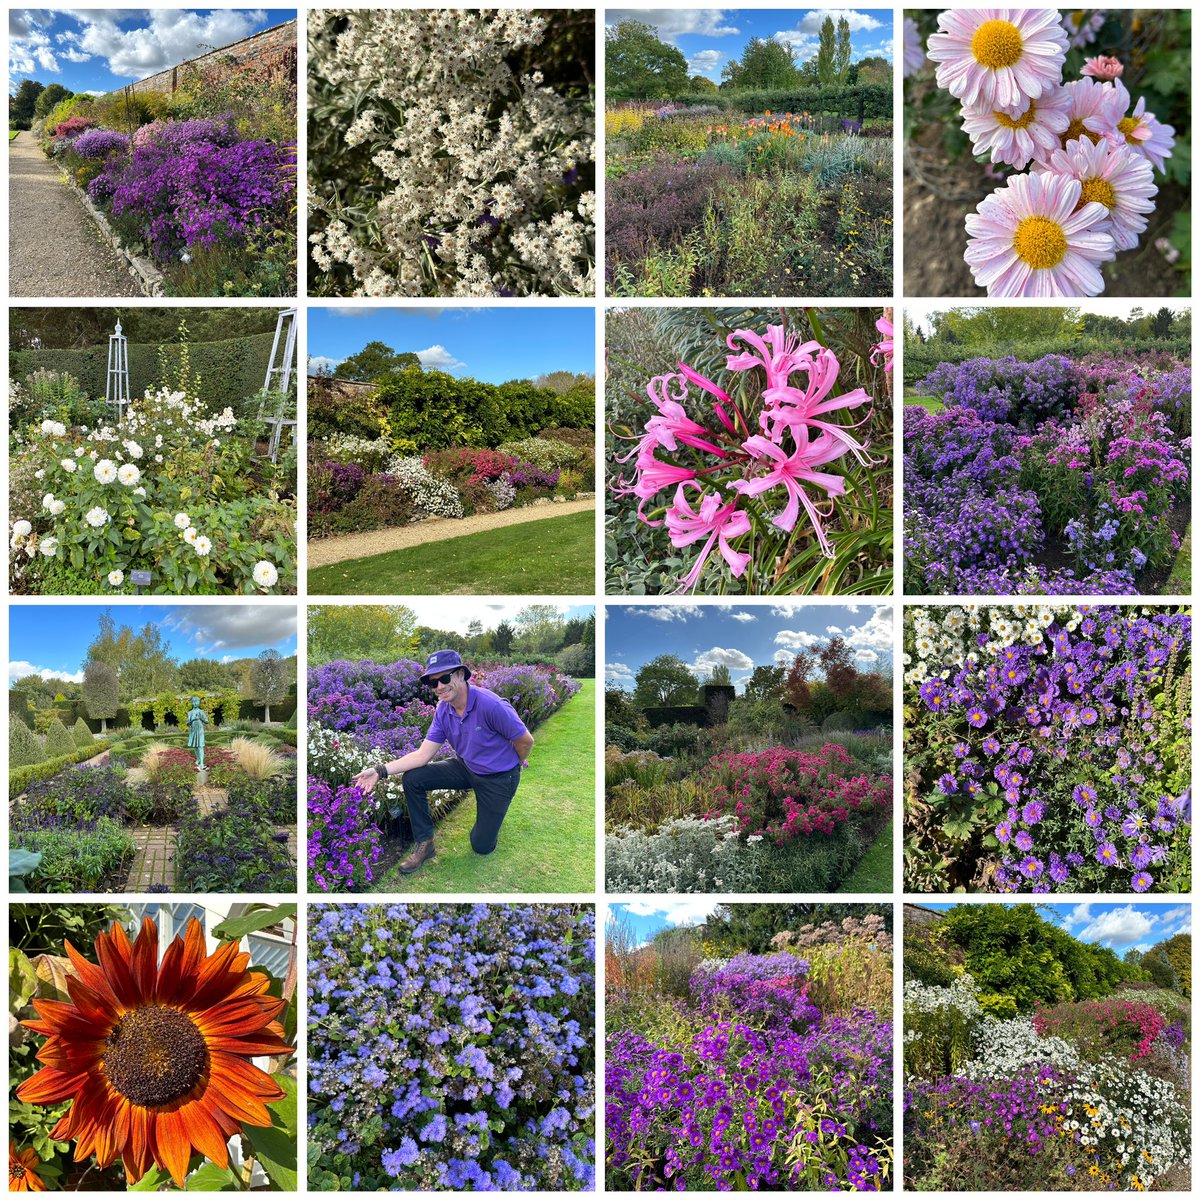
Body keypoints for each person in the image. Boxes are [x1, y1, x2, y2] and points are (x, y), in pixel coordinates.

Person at [352, 650, 534, 874]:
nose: (439, 686)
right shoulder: (443, 710)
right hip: (466, 767)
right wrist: (380, 771)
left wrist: (511, 767)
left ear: (460, 674)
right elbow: (422, 755)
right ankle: (425, 844)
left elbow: (525, 741)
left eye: (444, 678)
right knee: (414, 778)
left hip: (498, 778)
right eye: (433, 682)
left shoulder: (491, 705)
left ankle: (491, 817)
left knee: (481, 846)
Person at [186, 696, 208, 770]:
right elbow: (187, 723)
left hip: (200, 730)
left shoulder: (201, 711)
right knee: (195, 746)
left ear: (199, 702)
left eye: (197, 702)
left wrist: (200, 718)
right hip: (193, 730)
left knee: (200, 746)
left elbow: (206, 721)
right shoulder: (190, 713)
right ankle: (198, 759)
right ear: (192, 703)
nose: (195, 703)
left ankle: (202, 762)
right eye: (194, 702)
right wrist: (193, 720)